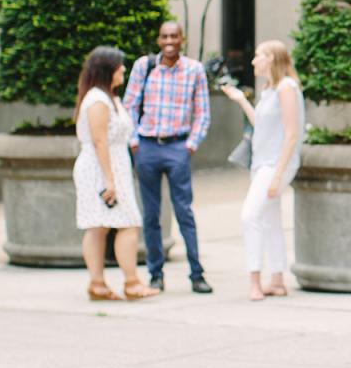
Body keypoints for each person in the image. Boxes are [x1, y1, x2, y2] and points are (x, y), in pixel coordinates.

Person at [122, 20, 213, 294]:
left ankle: (197, 274)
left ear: (181, 39)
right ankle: (155, 274)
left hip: (177, 147)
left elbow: (203, 112)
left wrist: (191, 145)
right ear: (158, 40)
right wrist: (135, 142)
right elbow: (129, 106)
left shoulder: (194, 70)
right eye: (164, 36)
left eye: (174, 36)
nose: (169, 41)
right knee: (151, 215)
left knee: (184, 211)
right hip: (147, 147)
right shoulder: (144, 66)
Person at [72, 46, 159, 302]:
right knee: (126, 223)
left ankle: (98, 284)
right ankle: (130, 282)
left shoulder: (109, 97)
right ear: (107, 70)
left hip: (112, 166)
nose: (123, 69)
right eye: (119, 65)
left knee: (100, 226)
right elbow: (100, 141)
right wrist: (109, 180)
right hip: (101, 169)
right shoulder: (98, 100)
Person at [221, 40, 304, 302]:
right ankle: (277, 280)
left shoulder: (286, 88)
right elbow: (262, 126)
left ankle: (255, 280)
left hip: (274, 165)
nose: (253, 61)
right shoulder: (269, 90)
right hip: (262, 163)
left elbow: (291, 134)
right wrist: (240, 101)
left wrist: (278, 174)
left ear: (271, 59)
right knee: (269, 221)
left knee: (250, 216)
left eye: (258, 56)